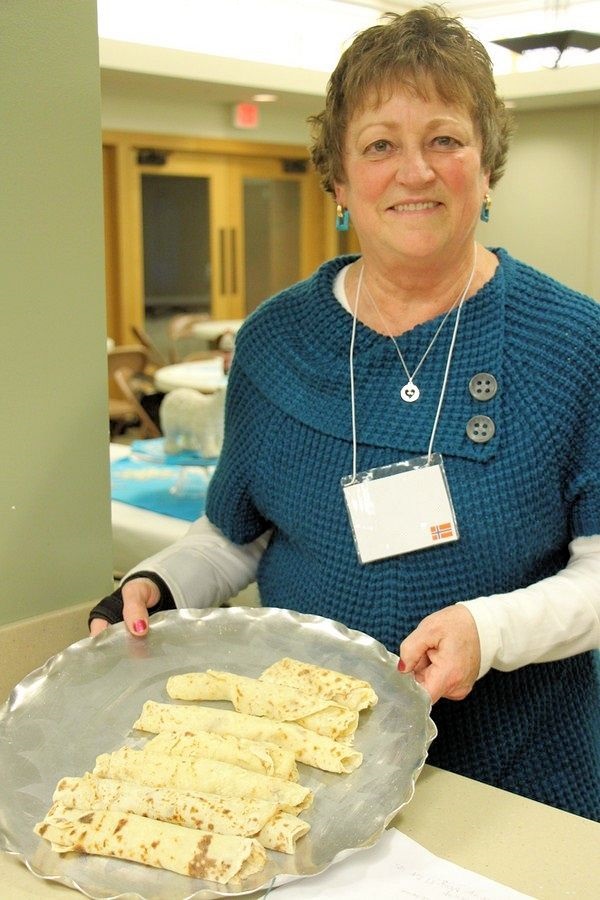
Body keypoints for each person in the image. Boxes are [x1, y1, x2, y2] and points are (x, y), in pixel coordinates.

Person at [90, 6, 600, 821]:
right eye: (380, 145)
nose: (415, 171)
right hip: (312, 767)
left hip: (515, 779)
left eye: (444, 139)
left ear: (488, 168)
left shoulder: (575, 342)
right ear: (338, 182)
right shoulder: (274, 339)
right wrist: (159, 581)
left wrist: (490, 630)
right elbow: (233, 532)